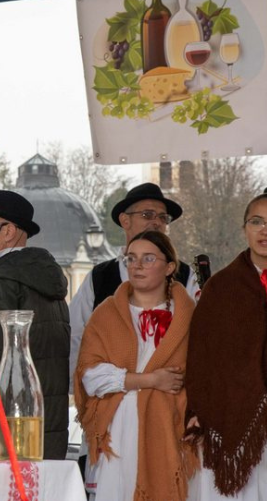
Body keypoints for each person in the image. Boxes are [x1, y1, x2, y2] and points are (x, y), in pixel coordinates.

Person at [68, 182, 198, 478]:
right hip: (112, 413)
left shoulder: (186, 277)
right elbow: (78, 342)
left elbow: (197, 343)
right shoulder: (100, 278)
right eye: (148, 214)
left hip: (169, 414)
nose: (157, 222)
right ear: (124, 221)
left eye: (163, 217)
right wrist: (88, 401)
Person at [75, 231, 196, 501]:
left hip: (171, 430)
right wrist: (150, 379)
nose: (137, 265)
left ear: (170, 267)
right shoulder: (106, 313)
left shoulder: (189, 316)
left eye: (148, 258)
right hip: (118, 431)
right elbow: (91, 376)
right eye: (131, 258)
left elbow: (199, 374)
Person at [0, 190, 70, 460]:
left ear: (8, 231)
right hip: (45, 426)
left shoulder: (2, 279)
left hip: (0, 427)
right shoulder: (45, 278)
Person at [184, 193, 267, 501]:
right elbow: (203, 357)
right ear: (244, 228)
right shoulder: (222, 287)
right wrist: (198, 411)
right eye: (257, 222)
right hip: (234, 416)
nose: (264, 230)